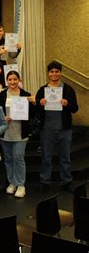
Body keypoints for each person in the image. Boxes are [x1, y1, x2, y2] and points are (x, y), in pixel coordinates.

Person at [36, 61, 78, 192]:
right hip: (47, 130)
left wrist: (67, 103)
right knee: (46, 157)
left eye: (57, 71)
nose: (54, 74)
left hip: (64, 129)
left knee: (65, 157)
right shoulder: (43, 90)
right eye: (52, 71)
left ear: (60, 73)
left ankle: (66, 181)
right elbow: (36, 110)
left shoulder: (68, 89)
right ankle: (44, 181)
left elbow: (75, 108)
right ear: (48, 73)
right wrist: (39, 103)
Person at [0, 71, 35, 198]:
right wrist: (3, 117)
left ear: (19, 80)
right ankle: (12, 182)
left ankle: (21, 185)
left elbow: (33, 114)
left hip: (20, 133)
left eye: (15, 79)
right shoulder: (1, 95)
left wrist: (34, 103)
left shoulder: (26, 95)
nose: (12, 82)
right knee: (8, 159)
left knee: (18, 158)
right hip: (5, 133)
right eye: (10, 79)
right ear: (6, 81)